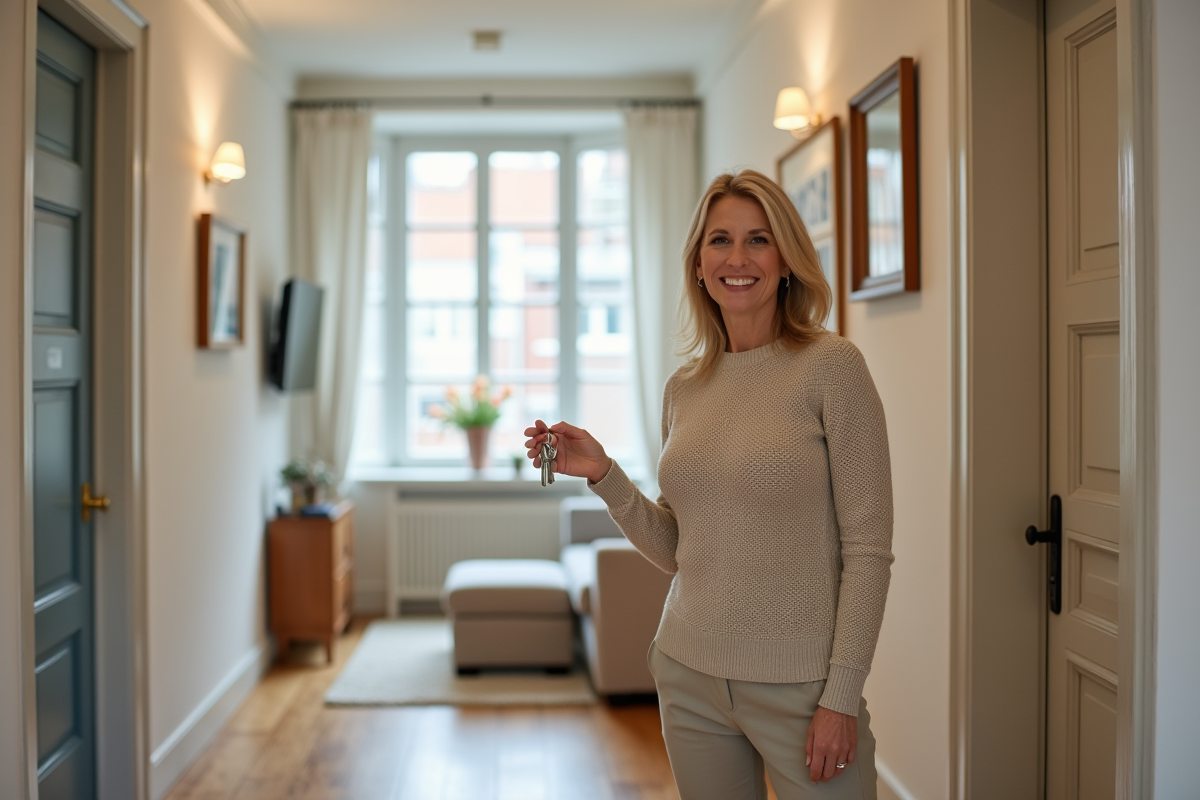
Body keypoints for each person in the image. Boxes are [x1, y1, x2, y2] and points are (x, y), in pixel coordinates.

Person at [525, 169, 893, 800]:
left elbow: (868, 551)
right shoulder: (683, 389)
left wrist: (840, 695)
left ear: (785, 261)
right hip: (688, 676)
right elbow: (678, 550)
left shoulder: (833, 368)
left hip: (803, 690)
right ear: (699, 263)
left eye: (758, 239)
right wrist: (606, 476)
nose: (738, 258)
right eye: (720, 240)